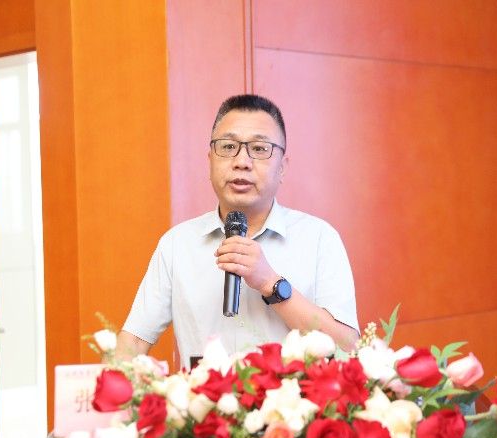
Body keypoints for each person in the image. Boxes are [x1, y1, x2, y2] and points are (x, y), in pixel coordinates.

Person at [118, 94, 359, 367]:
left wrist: (270, 284)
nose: (242, 161)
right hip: (204, 395)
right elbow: (133, 342)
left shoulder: (319, 239)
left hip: (292, 395)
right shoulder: (177, 244)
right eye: (228, 146)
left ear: (282, 167)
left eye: (259, 148)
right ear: (210, 160)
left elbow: (348, 347)